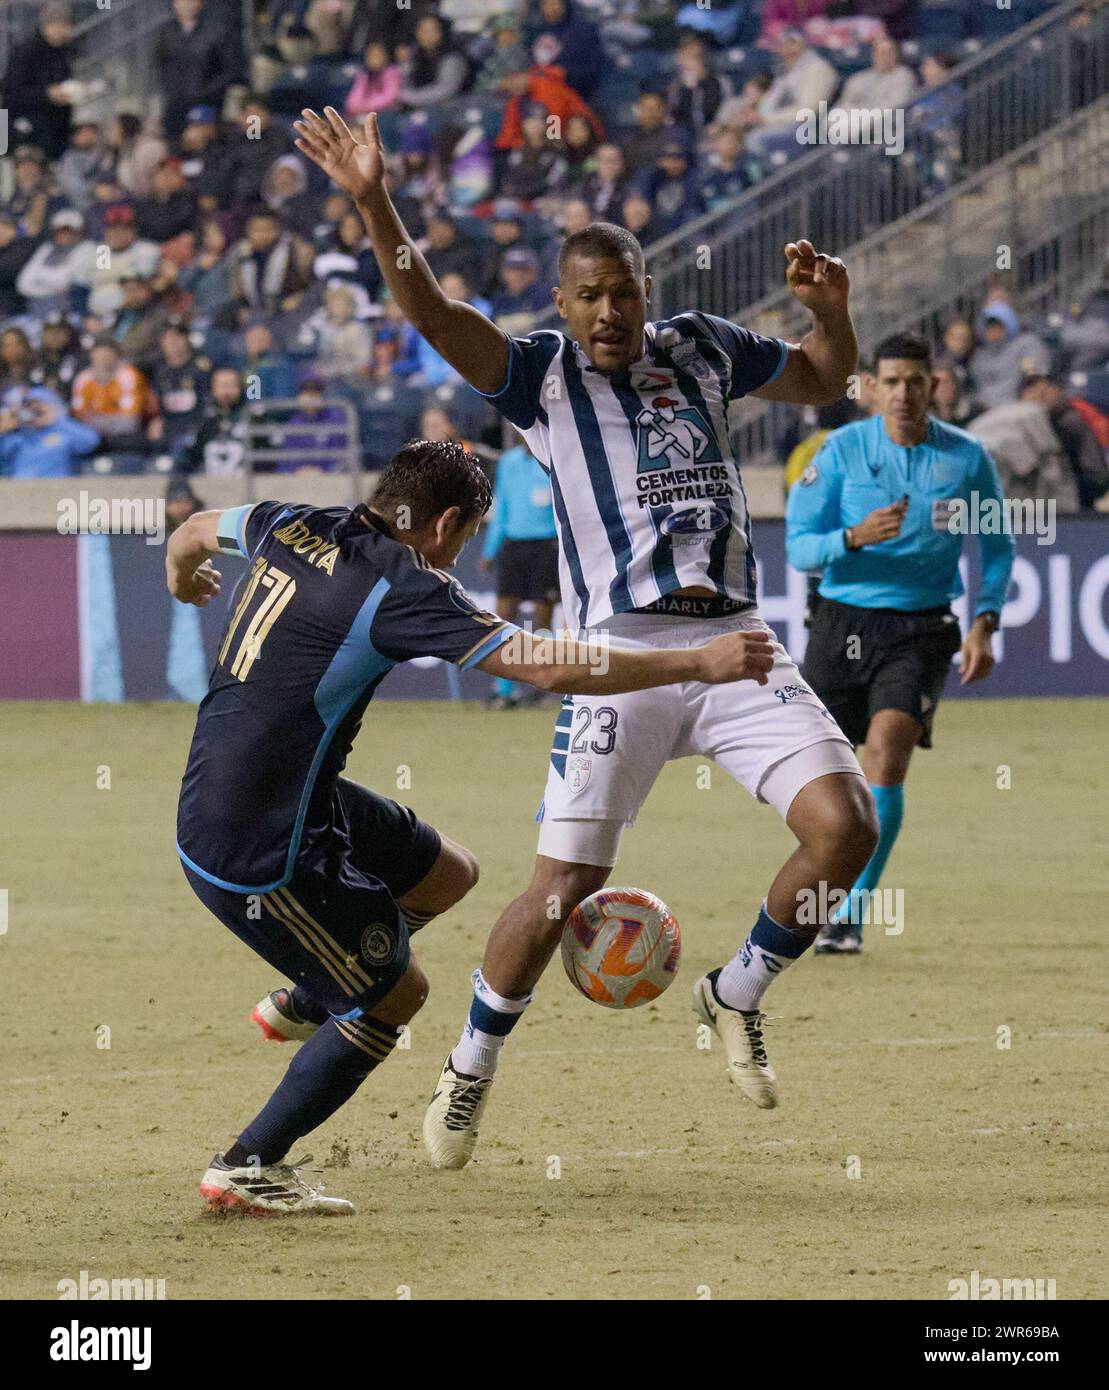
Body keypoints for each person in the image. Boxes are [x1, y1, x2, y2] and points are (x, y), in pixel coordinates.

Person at [294, 106, 877, 1168]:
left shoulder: (704, 348)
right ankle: (468, 1067)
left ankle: (731, 992)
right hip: (618, 656)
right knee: (556, 890)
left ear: (648, 292)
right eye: (588, 296)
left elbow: (825, 378)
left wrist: (832, 312)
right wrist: (373, 197)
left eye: (624, 292)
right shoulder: (539, 376)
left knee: (846, 827)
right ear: (561, 303)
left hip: (738, 642)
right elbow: (426, 306)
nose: (608, 311)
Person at [168, 441, 773, 1213]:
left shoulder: (291, 521)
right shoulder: (402, 588)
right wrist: (695, 663)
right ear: (445, 522)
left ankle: (310, 996)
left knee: (448, 873)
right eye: (466, 536)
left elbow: (192, 529)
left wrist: (186, 580)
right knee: (394, 999)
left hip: (280, 791)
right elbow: (548, 667)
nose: (462, 554)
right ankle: (248, 1166)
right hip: (256, 843)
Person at [786, 333, 1015, 954]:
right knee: (824, 782)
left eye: (916, 381)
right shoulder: (838, 452)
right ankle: (817, 887)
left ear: (934, 385)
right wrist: (852, 538)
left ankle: (848, 914)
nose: (904, 393)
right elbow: (800, 545)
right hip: (840, 623)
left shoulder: (967, 459)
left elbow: (996, 548)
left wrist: (984, 620)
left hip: (920, 628)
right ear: (871, 388)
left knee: (886, 754)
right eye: (891, 381)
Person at [481, 435, 560, 709]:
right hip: (513, 546)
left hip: (547, 546)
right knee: (504, 616)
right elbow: (501, 506)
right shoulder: (508, 462)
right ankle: (503, 690)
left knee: (542, 617)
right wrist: (490, 549)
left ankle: (542, 683)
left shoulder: (554, 458)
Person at [154, 0, 236, 144]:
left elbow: (228, 69)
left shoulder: (216, 30)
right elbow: (162, 65)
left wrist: (206, 91)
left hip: (208, 102)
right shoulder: (166, 32)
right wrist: (173, 90)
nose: (186, 5)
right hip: (177, 103)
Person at [1, 3, 75, 161]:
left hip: (53, 133)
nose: (67, 31)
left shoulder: (62, 53)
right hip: (25, 134)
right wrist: (47, 94)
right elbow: (11, 95)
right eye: (63, 25)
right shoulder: (26, 52)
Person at [0, 387, 99, 478]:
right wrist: (4, 430)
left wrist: (56, 420)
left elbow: (91, 442)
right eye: (29, 405)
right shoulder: (20, 436)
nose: (34, 409)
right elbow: (3, 452)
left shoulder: (64, 430)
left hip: (54, 489)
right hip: (21, 490)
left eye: (40, 405)